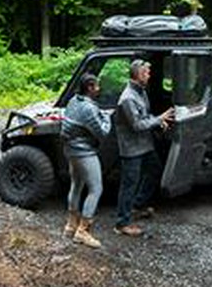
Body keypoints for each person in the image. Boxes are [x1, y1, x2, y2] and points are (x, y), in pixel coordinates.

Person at [113, 59, 174, 236]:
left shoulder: (140, 92)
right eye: (146, 73)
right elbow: (137, 125)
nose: (149, 75)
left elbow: (144, 116)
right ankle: (121, 224)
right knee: (128, 184)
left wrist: (157, 122)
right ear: (138, 75)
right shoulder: (128, 98)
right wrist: (160, 118)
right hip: (132, 149)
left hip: (145, 145)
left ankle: (137, 206)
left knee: (155, 170)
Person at [61, 73, 112, 248]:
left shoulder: (73, 101)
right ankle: (83, 231)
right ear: (90, 88)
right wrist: (107, 116)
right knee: (96, 189)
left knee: (76, 184)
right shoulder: (89, 109)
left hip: (70, 151)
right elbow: (103, 133)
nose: (99, 89)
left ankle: (70, 225)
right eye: (97, 86)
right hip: (84, 153)